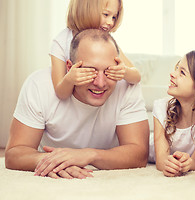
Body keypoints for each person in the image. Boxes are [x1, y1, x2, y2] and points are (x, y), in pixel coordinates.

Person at [5, 29, 149, 179]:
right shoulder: (39, 85)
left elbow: (139, 155)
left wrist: (88, 155)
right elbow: (14, 154)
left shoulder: (127, 86)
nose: (100, 83)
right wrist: (55, 161)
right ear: (69, 67)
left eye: (109, 71)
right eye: (90, 71)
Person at [50, 0, 141, 100]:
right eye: (106, 14)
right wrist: (70, 79)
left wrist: (124, 72)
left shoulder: (106, 42)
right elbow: (61, 93)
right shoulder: (60, 42)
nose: (111, 22)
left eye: (114, 17)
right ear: (86, 8)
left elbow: (136, 77)